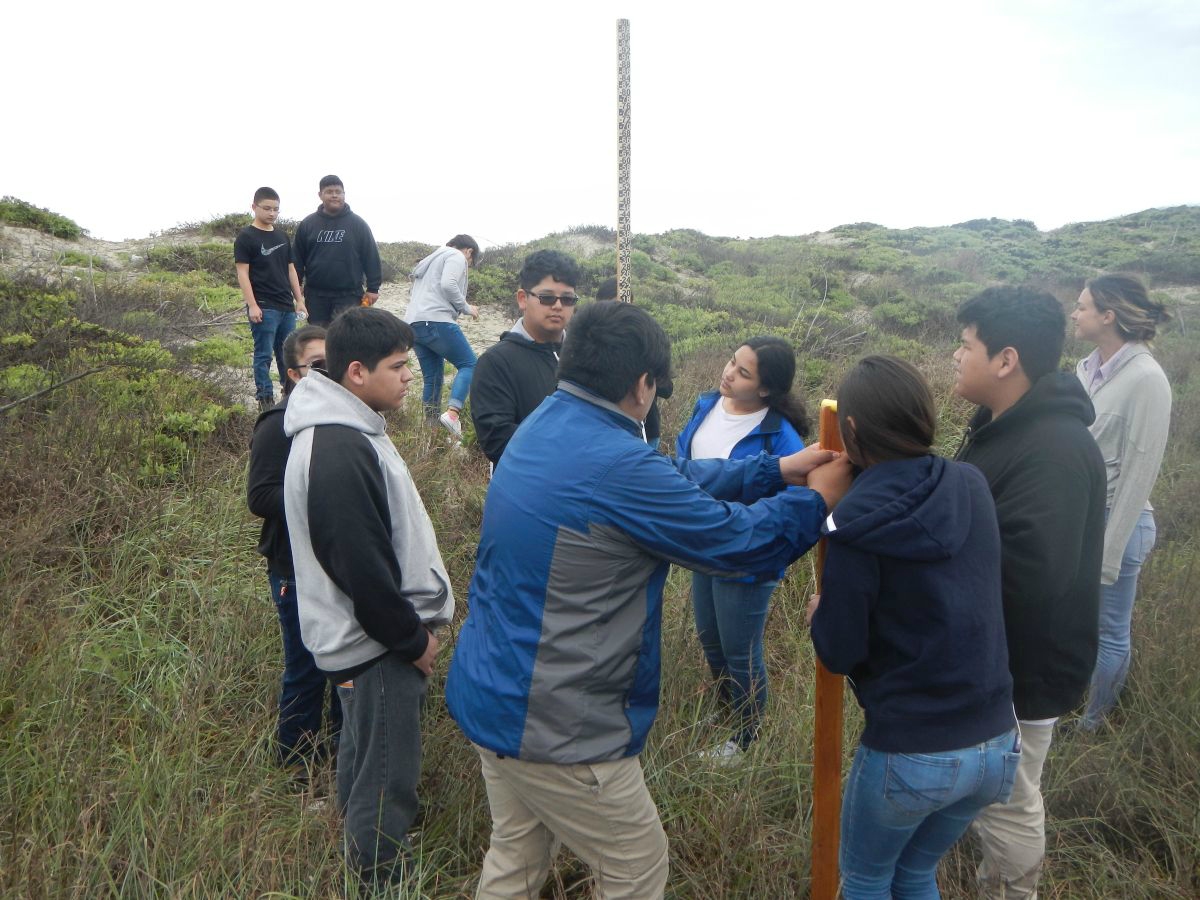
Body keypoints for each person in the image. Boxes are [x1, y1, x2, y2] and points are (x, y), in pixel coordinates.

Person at [445, 300, 853, 899]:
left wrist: (776, 470)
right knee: (635, 867)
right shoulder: (616, 464)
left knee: (517, 856)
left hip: (494, 692)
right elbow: (735, 544)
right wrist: (815, 502)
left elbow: (669, 482)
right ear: (642, 385)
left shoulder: (549, 423)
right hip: (559, 724)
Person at [808, 355, 1019, 899]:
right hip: (996, 741)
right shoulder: (971, 484)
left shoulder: (855, 523)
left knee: (867, 879)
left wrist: (819, 616)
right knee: (915, 873)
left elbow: (840, 651)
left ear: (850, 430)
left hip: (912, 749)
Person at [283, 307, 454, 888]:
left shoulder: (348, 431)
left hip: (369, 641)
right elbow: (360, 567)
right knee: (386, 773)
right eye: (399, 366)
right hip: (375, 645)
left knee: (364, 756)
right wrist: (411, 640)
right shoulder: (337, 447)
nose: (411, 376)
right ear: (356, 372)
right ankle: (381, 875)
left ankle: (364, 852)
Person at [952, 286, 1106, 898]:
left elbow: (1031, 576)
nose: (956, 357)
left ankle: (1012, 891)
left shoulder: (1055, 451)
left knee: (1012, 801)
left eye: (966, 345)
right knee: (990, 794)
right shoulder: (1000, 426)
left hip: (1023, 667)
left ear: (1006, 359)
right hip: (991, 659)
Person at [675, 336, 809, 759]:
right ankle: (727, 715)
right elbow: (685, 458)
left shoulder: (780, 437)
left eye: (743, 372)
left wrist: (763, 547)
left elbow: (799, 504)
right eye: (732, 362)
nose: (728, 373)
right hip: (703, 545)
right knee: (711, 640)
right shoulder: (707, 405)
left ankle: (746, 739)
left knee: (741, 650)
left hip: (747, 557)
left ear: (766, 389)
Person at [1070, 274, 1172, 731]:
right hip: (1083, 519)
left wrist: (1109, 554)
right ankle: (1076, 703)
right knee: (1081, 627)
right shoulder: (1085, 369)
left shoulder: (1147, 378)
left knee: (1110, 632)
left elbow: (1140, 470)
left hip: (1121, 523)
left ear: (1108, 316)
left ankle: (1093, 724)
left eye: (1083, 306)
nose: (1075, 313)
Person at [247, 325, 341, 772]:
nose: (328, 373)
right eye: (317, 365)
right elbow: (259, 497)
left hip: (339, 565)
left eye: (335, 363)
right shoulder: (277, 424)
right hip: (293, 568)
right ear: (293, 373)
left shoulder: (344, 418)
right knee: (305, 669)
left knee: (347, 671)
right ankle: (296, 766)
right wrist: (321, 494)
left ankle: (344, 760)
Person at [469, 249, 581, 465]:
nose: (558, 306)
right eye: (547, 297)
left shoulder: (584, 356)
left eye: (567, 299)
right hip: (529, 489)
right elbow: (497, 442)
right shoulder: (495, 362)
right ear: (522, 299)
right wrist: (574, 440)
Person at [234, 187, 307, 411]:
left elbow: (291, 270)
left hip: (286, 305)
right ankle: (265, 400)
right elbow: (242, 273)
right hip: (264, 307)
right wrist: (253, 305)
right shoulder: (246, 237)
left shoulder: (282, 236)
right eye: (267, 208)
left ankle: (290, 396)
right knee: (263, 355)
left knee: (288, 354)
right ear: (254, 207)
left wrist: (300, 300)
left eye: (276, 209)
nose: (272, 213)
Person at [403, 235, 481, 436]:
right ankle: (453, 414)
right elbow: (448, 284)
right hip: (437, 320)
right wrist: (466, 308)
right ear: (469, 251)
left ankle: (431, 431)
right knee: (470, 364)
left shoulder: (429, 261)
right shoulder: (456, 256)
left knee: (433, 378)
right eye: (470, 262)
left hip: (414, 325)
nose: (468, 265)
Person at [292, 175, 382, 327]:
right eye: (329, 191)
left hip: (349, 295)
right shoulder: (308, 224)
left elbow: (371, 256)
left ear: (344, 195)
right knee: (319, 338)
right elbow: (297, 258)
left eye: (338, 192)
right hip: (316, 295)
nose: (334, 195)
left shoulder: (358, 224)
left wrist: (373, 288)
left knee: (346, 337)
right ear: (320, 195)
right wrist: (297, 284)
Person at [596, 275, 670, 447]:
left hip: (646, 432)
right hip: (606, 431)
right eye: (608, 307)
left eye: (620, 305)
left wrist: (643, 376)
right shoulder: (594, 341)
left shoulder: (647, 338)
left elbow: (667, 388)